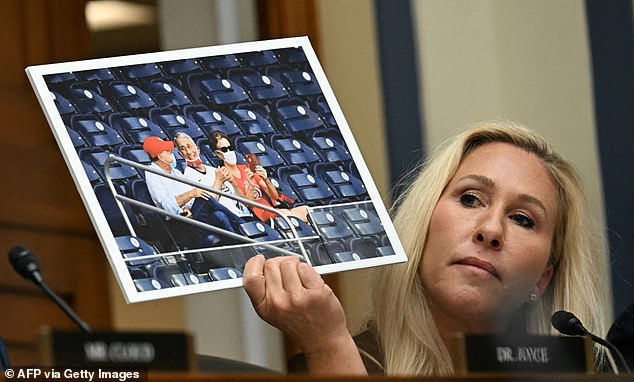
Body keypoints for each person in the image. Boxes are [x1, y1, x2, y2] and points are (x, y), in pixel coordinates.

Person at [242, 120, 611, 375]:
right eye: (470, 199)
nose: (491, 230)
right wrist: (327, 348)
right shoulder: (328, 364)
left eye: (523, 219)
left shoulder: (591, 371)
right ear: (424, 224)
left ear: (542, 280)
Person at [142, 136, 246, 245]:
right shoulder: (152, 174)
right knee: (203, 196)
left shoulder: (176, 172)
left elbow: (190, 199)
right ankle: (242, 224)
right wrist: (190, 195)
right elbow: (167, 205)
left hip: (193, 212)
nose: (171, 153)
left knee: (219, 215)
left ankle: (243, 246)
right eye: (168, 152)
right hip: (180, 220)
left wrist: (188, 203)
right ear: (161, 156)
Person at [207, 130, 309, 223]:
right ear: (217, 153)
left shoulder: (245, 168)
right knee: (287, 215)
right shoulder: (224, 176)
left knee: (307, 210)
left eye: (231, 148)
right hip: (259, 216)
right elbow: (247, 204)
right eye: (224, 149)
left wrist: (265, 179)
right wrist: (251, 185)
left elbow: (274, 196)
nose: (229, 152)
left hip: (273, 209)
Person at [173, 132, 254, 220]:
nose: (188, 152)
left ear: (197, 149)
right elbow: (207, 205)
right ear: (180, 154)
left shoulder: (214, 170)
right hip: (226, 219)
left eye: (189, 146)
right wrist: (218, 182)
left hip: (242, 214)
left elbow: (244, 202)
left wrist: (233, 182)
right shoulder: (187, 178)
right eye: (183, 149)